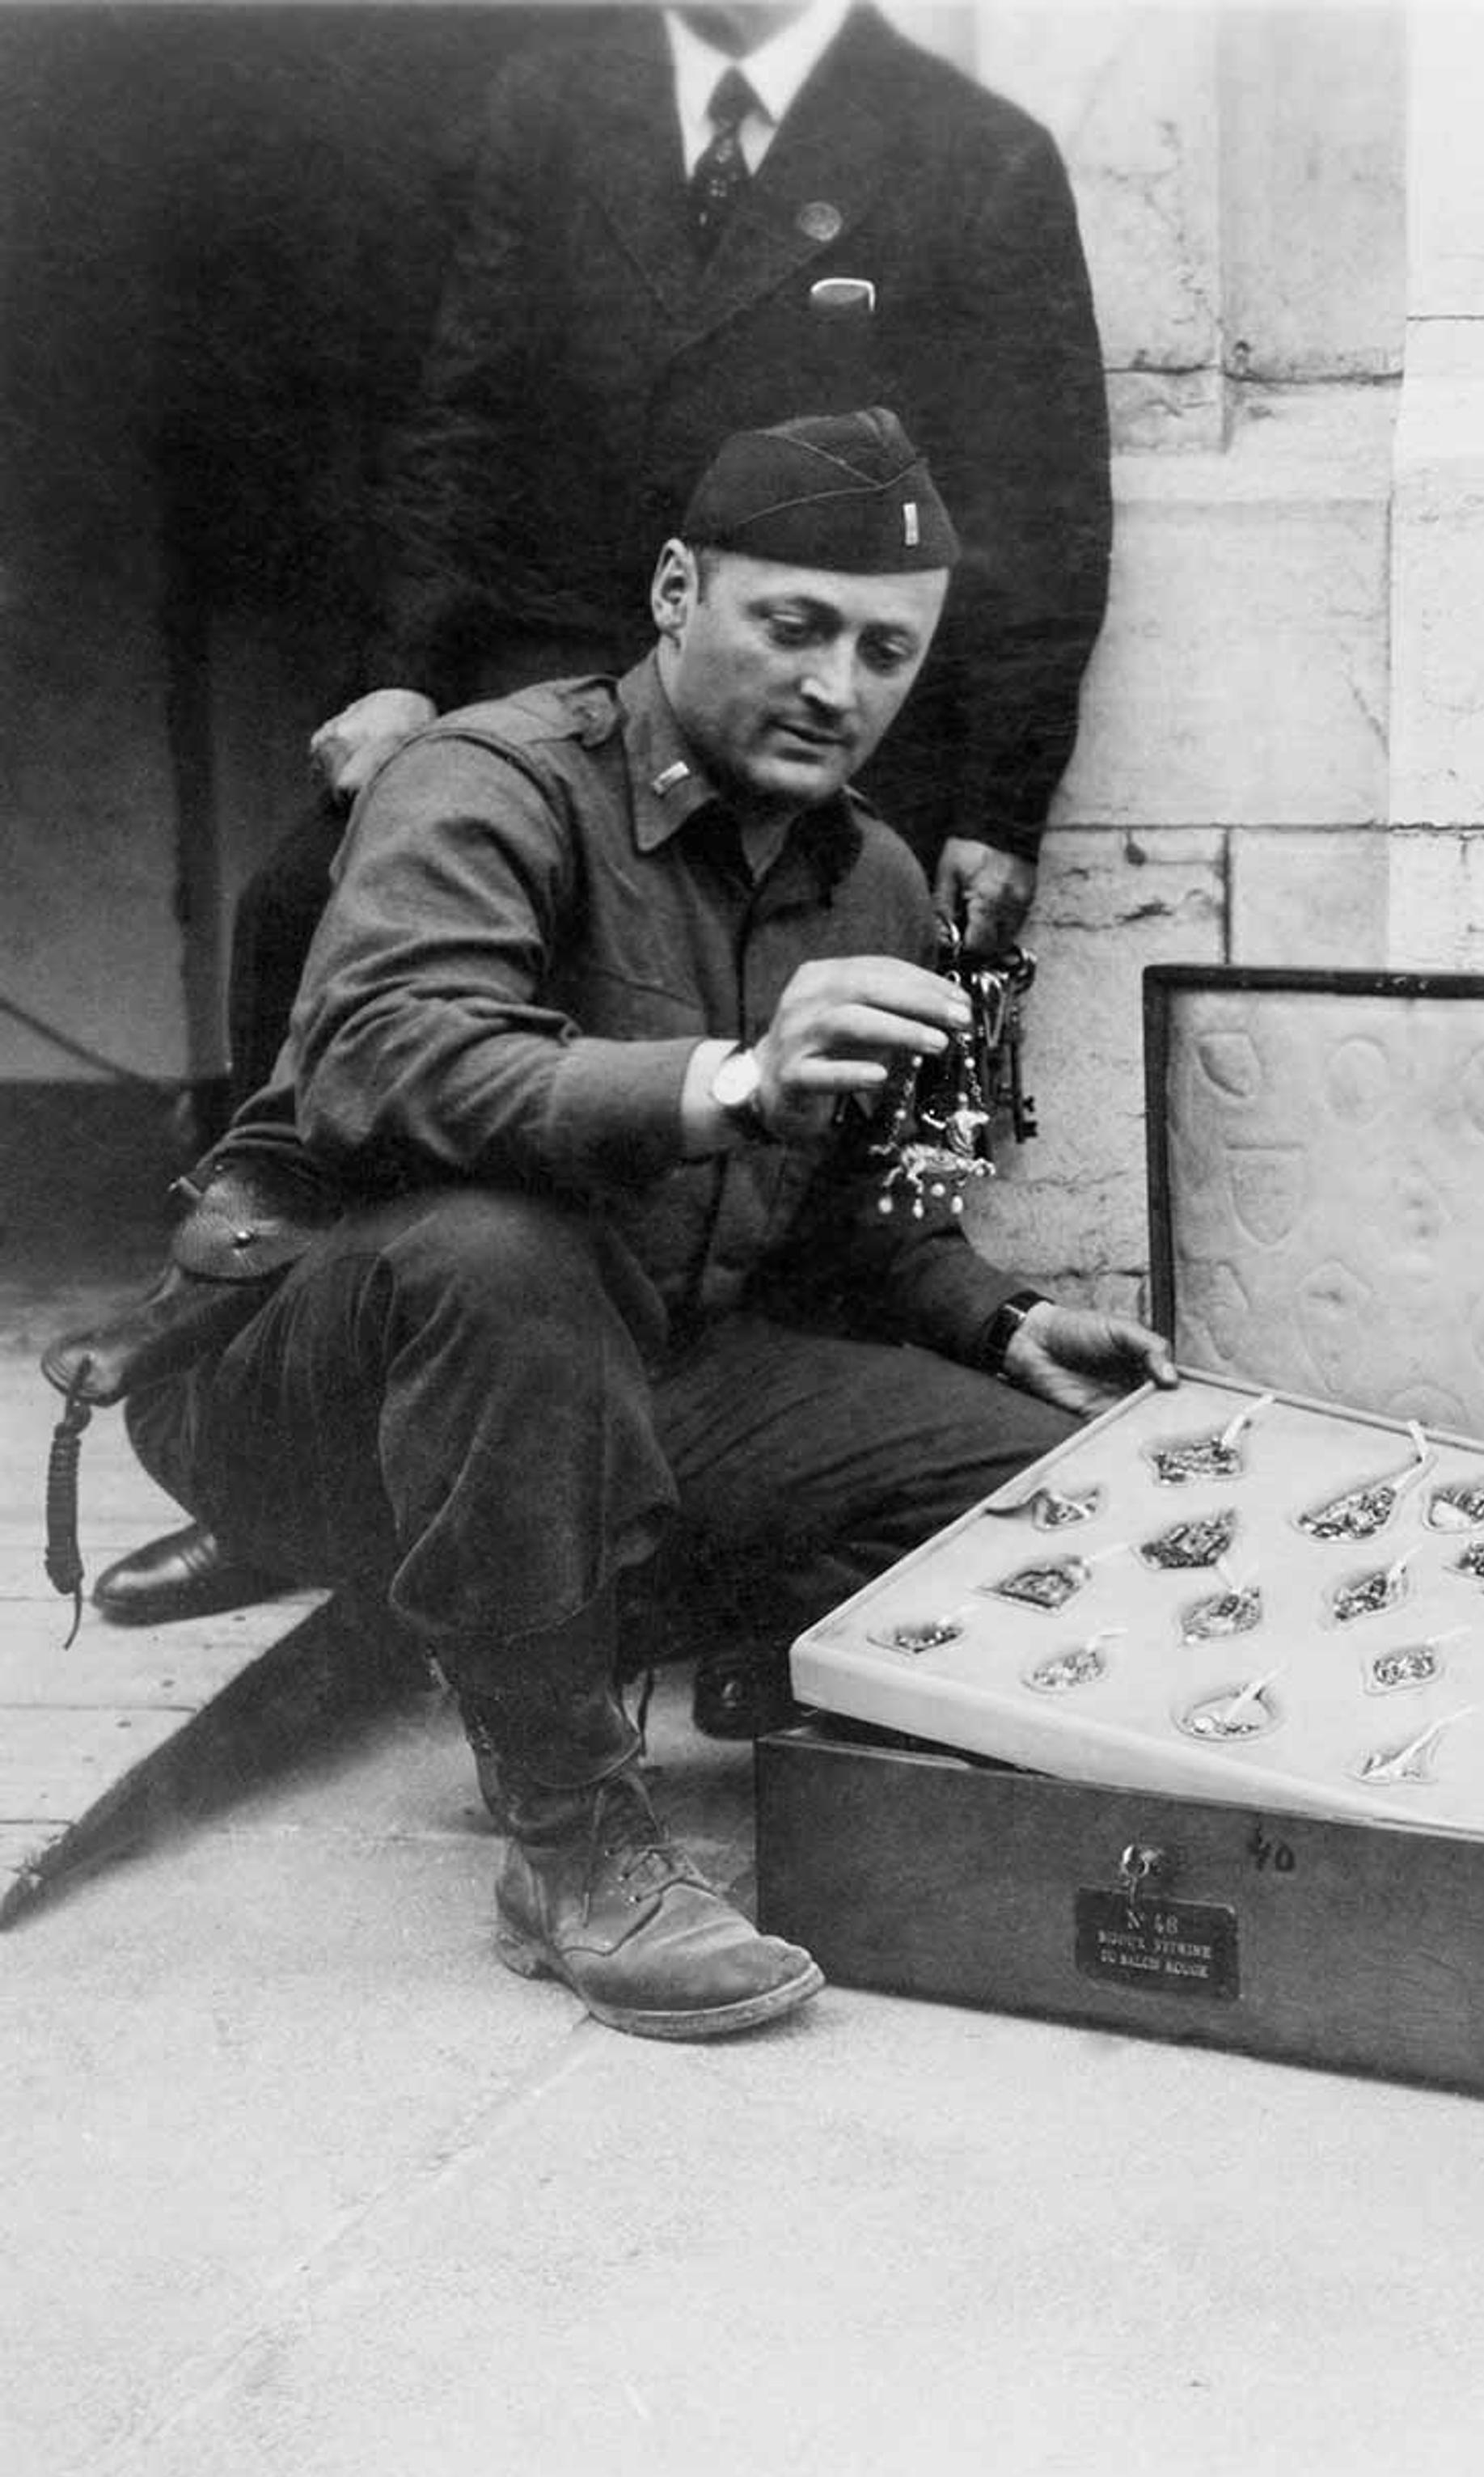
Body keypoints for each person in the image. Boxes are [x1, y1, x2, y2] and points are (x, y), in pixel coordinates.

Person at [118, 410, 1174, 2040]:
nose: (842, 684)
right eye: (797, 624)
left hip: (619, 1378)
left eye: (888, 649)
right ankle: (568, 1838)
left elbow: (837, 1228)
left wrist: (1000, 1322)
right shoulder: (487, 777)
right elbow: (391, 1059)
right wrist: (733, 1077)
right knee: (501, 1253)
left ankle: (567, 1636)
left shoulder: (872, 873)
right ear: (678, 589)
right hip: (304, 1391)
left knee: (1034, 1489)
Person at [99, 0, 1111, 1629]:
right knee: (318, 911)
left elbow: (1046, 502)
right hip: (575, 671)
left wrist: (1001, 798)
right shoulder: (555, 101)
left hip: (812, 746)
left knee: (877, 1113)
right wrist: (403, 680)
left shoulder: (970, 149)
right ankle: (294, 1455)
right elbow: (465, 415)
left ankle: (657, 1506)